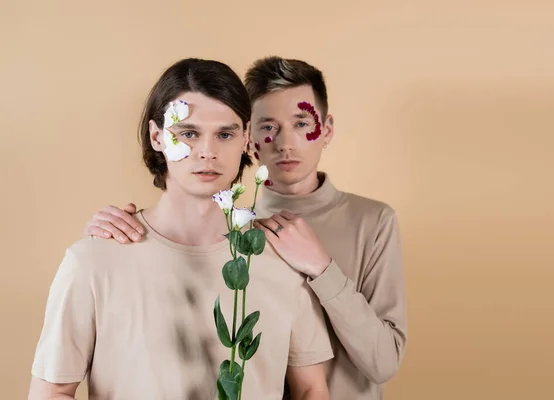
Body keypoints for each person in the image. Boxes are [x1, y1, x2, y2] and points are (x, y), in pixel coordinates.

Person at [83, 56, 407, 400]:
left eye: (301, 123)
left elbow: (383, 363)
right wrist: (111, 235)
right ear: (250, 136)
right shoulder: (223, 221)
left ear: (326, 130)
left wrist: (322, 268)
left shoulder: (372, 221)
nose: (285, 143)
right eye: (268, 127)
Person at [29, 58, 333, 400]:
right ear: (157, 136)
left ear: (247, 138)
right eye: (188, 133)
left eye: (225, 134)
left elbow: (311, 389)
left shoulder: (283, 259)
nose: (207, 152)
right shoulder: (92, 261)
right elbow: (51, 392)